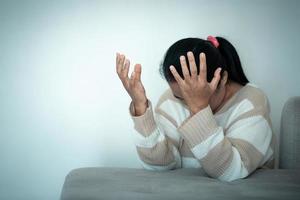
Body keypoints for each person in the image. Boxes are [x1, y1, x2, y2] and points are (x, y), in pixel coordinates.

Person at [116, 36, 277, 182]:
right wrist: (141, 108)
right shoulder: (172, 98)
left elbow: (230, 172)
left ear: (222, 79)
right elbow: (162, 166)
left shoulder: (251, 101)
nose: (187, 103)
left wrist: (199, 109)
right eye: (182, 97)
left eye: (197, 94)